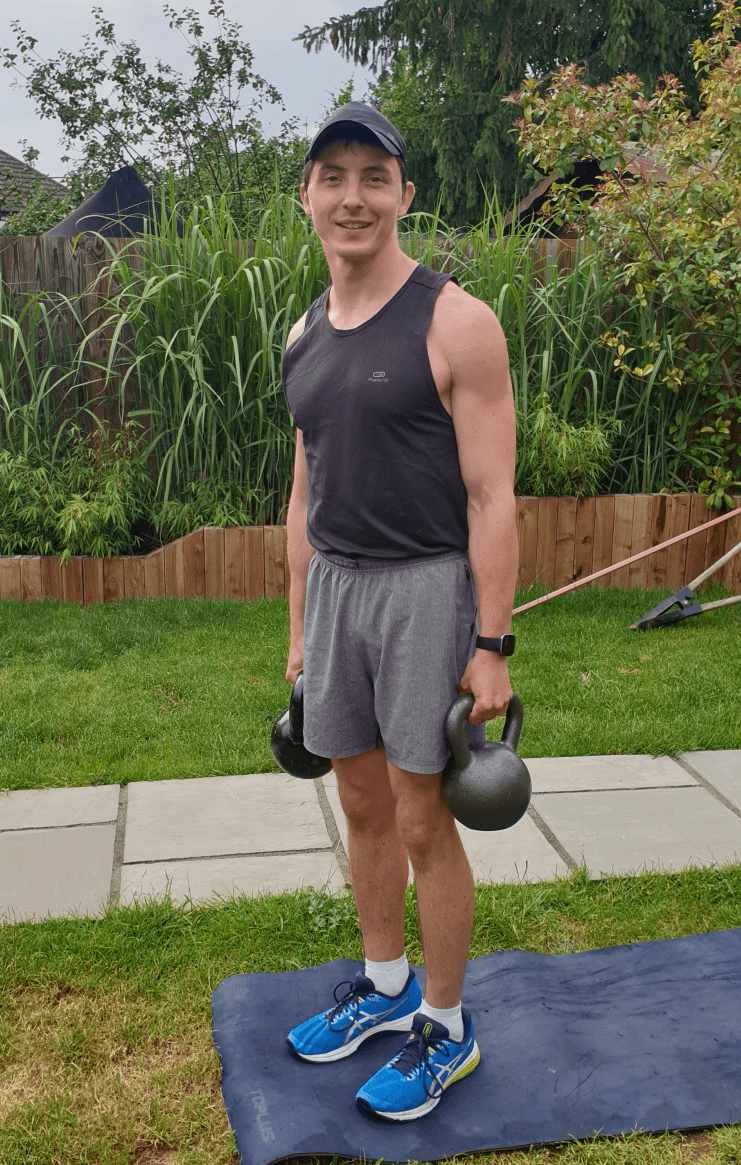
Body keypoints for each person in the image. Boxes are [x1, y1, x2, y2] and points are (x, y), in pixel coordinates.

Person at [281, 102, 518, 1122]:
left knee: (423, 816)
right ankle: (383, 989)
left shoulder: (455, 320)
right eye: (333, 175)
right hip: (335, 588)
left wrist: (491, 643)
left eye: (374, 176)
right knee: (362, 804)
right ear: (308, 197)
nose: (353, 197)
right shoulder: (301, 332)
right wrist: (297, 631)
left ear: (404, 195)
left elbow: (492, 496)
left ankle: (448, 1025)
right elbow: (303, 495)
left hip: (427, 591)